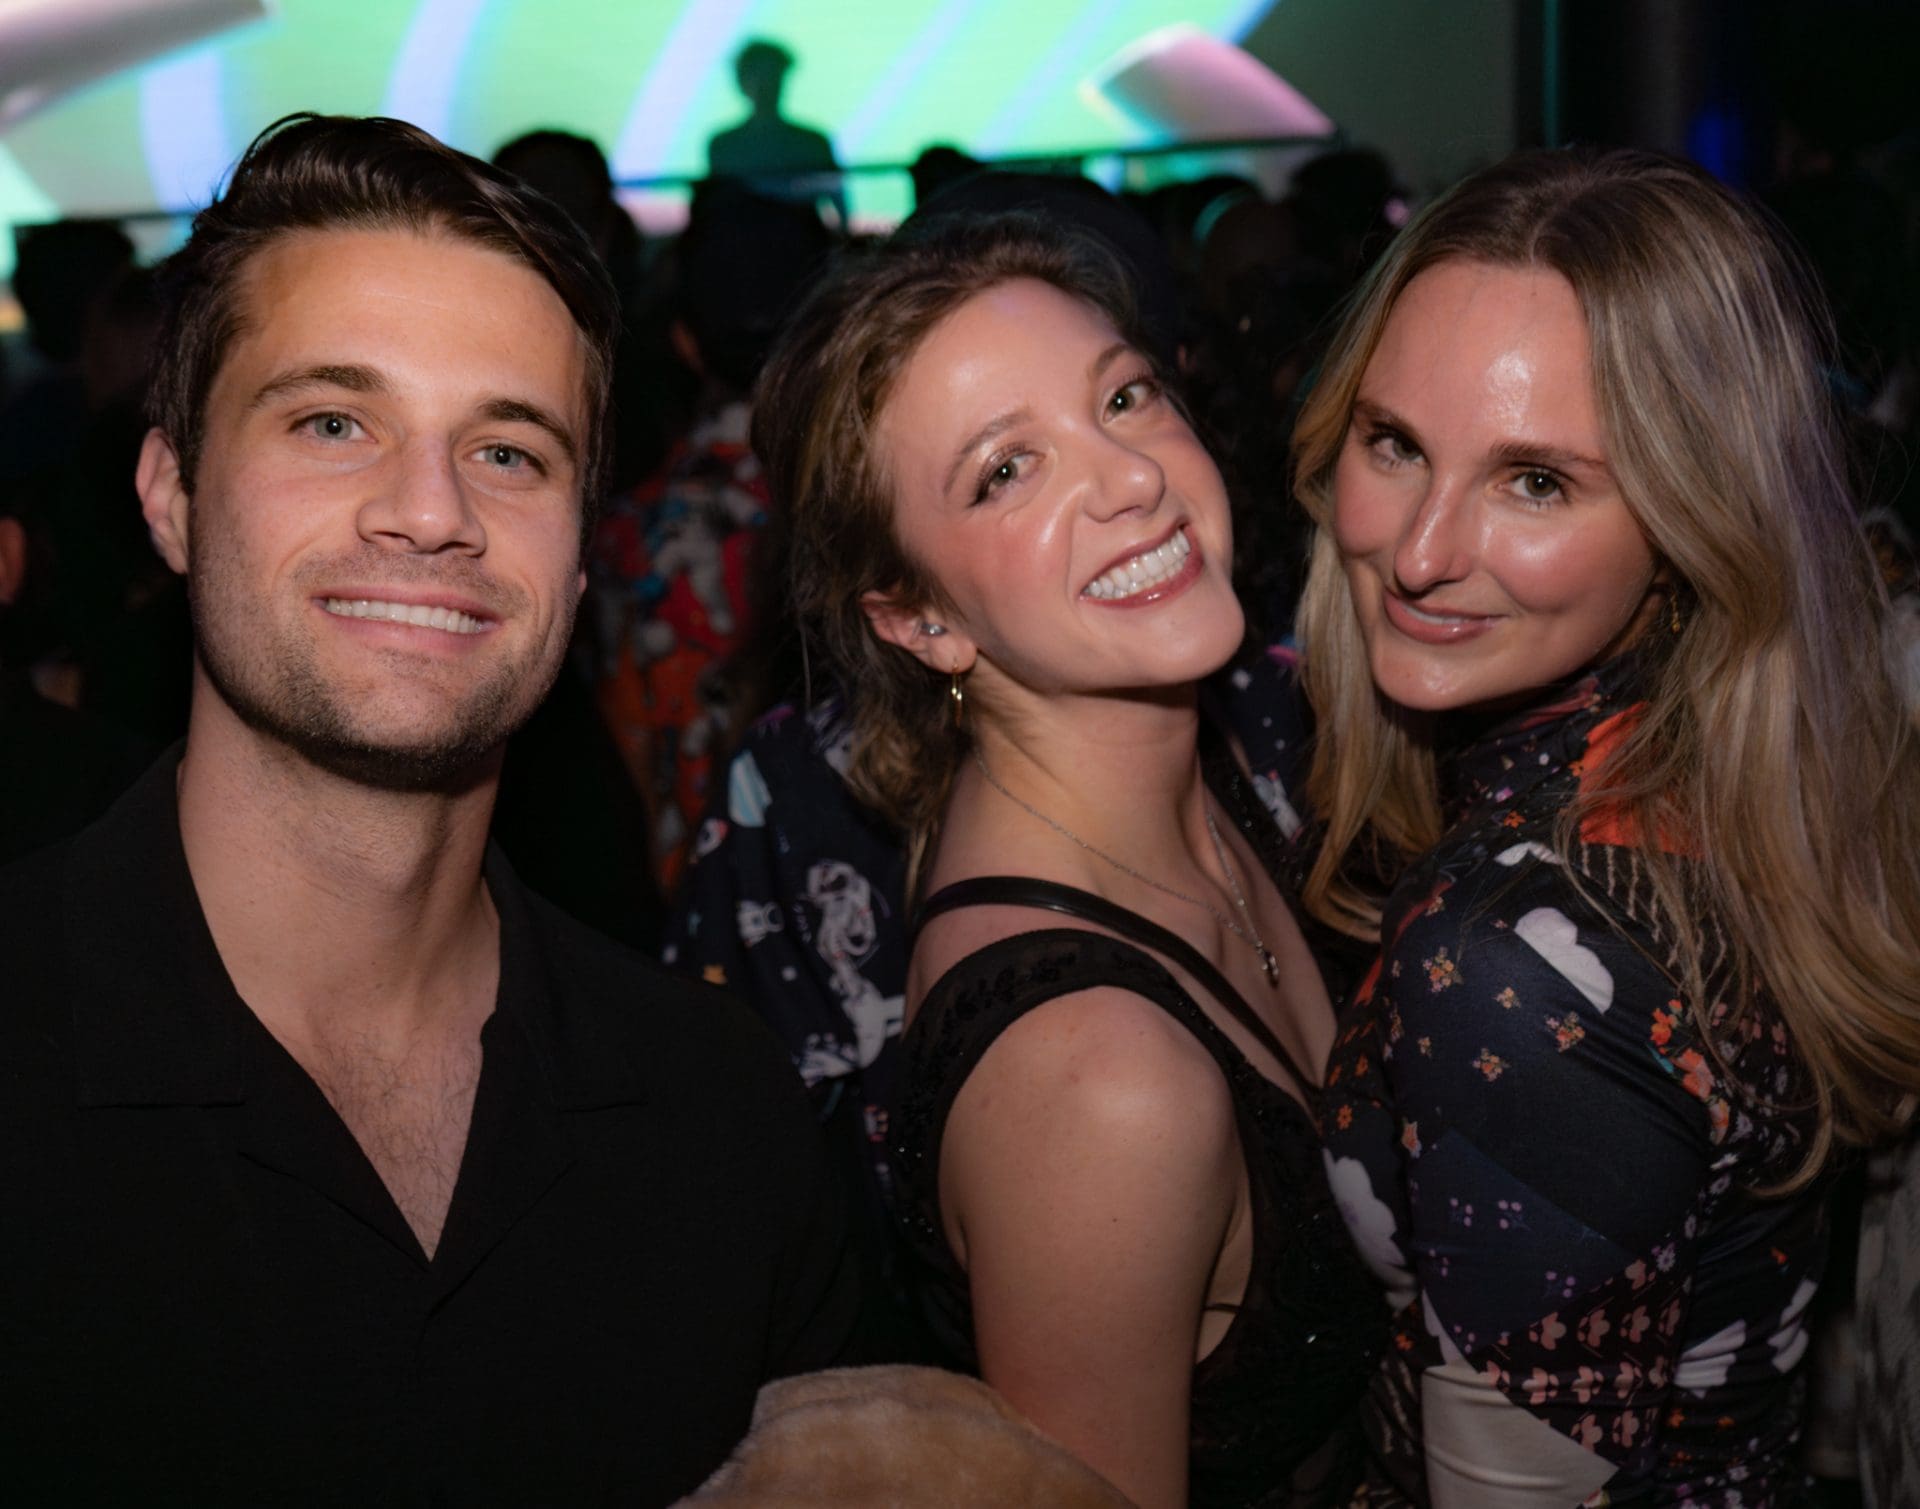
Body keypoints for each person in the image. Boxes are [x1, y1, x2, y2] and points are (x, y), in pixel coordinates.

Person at [0, 114, 859, 1505]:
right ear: (171, 494)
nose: (429, 511)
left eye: (509, 452)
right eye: (334, 423)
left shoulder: (723, 1116)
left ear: (581, 555)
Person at [1296, 149, 1920, 1503]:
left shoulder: (1516, 960)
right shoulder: (1753, 776)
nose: (1419, 552)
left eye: (1535, 482)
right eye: (1394, 443)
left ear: (1695, 522)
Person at [750, 211, 1387, 1508]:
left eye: (1125, 397)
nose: (1132, 477)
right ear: (920, 618)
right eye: (1007, 470)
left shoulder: (1207, 778)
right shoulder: (1099, 1080)